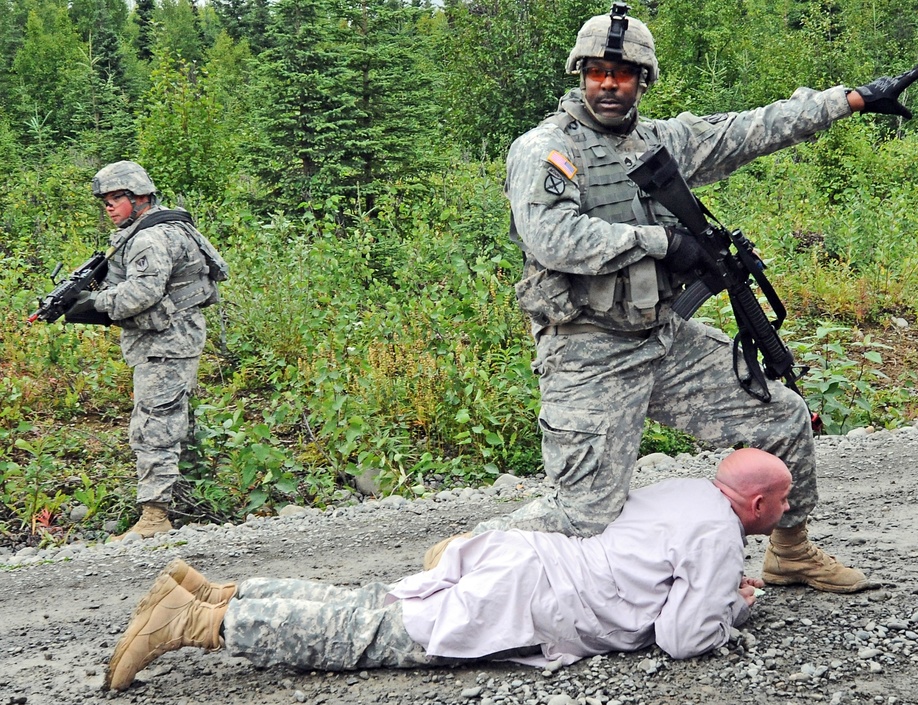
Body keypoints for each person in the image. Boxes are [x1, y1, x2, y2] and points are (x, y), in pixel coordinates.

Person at [423, 4, 918, 593]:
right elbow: (554, 238)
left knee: (783, 415)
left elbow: (749, 128)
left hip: (662, 339)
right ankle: (463, 553)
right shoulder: (545, 150)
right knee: (583, 517)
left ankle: (791, 552)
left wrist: (850, 99)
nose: (609, 84)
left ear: (642, 81)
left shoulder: (660, 143)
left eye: (624, 73)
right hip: (588, 353)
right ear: (580, 74)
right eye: (597, 72)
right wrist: (661, 241)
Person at [105, 448, 791, 691]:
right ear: (756, 501)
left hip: (521, 555)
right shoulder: (719, 533)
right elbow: (682, 637)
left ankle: (220, 588)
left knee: (372, 600)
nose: (785, 511)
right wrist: (733, 604)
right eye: (783, 501)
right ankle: (199, 621)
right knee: (367, 637)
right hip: (532, 599)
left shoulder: (683, 489)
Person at [74, 160, 228, 541]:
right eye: (105, 200)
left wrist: (94, 304)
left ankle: (155, 518)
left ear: (139, 196)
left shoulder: (148, 237)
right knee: (178, 421)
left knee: (153, 427)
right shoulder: (166, 227)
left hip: (165, 343)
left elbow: (142, 293)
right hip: (172, 340)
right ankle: (192, 503)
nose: (108, 207)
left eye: (115, 198)